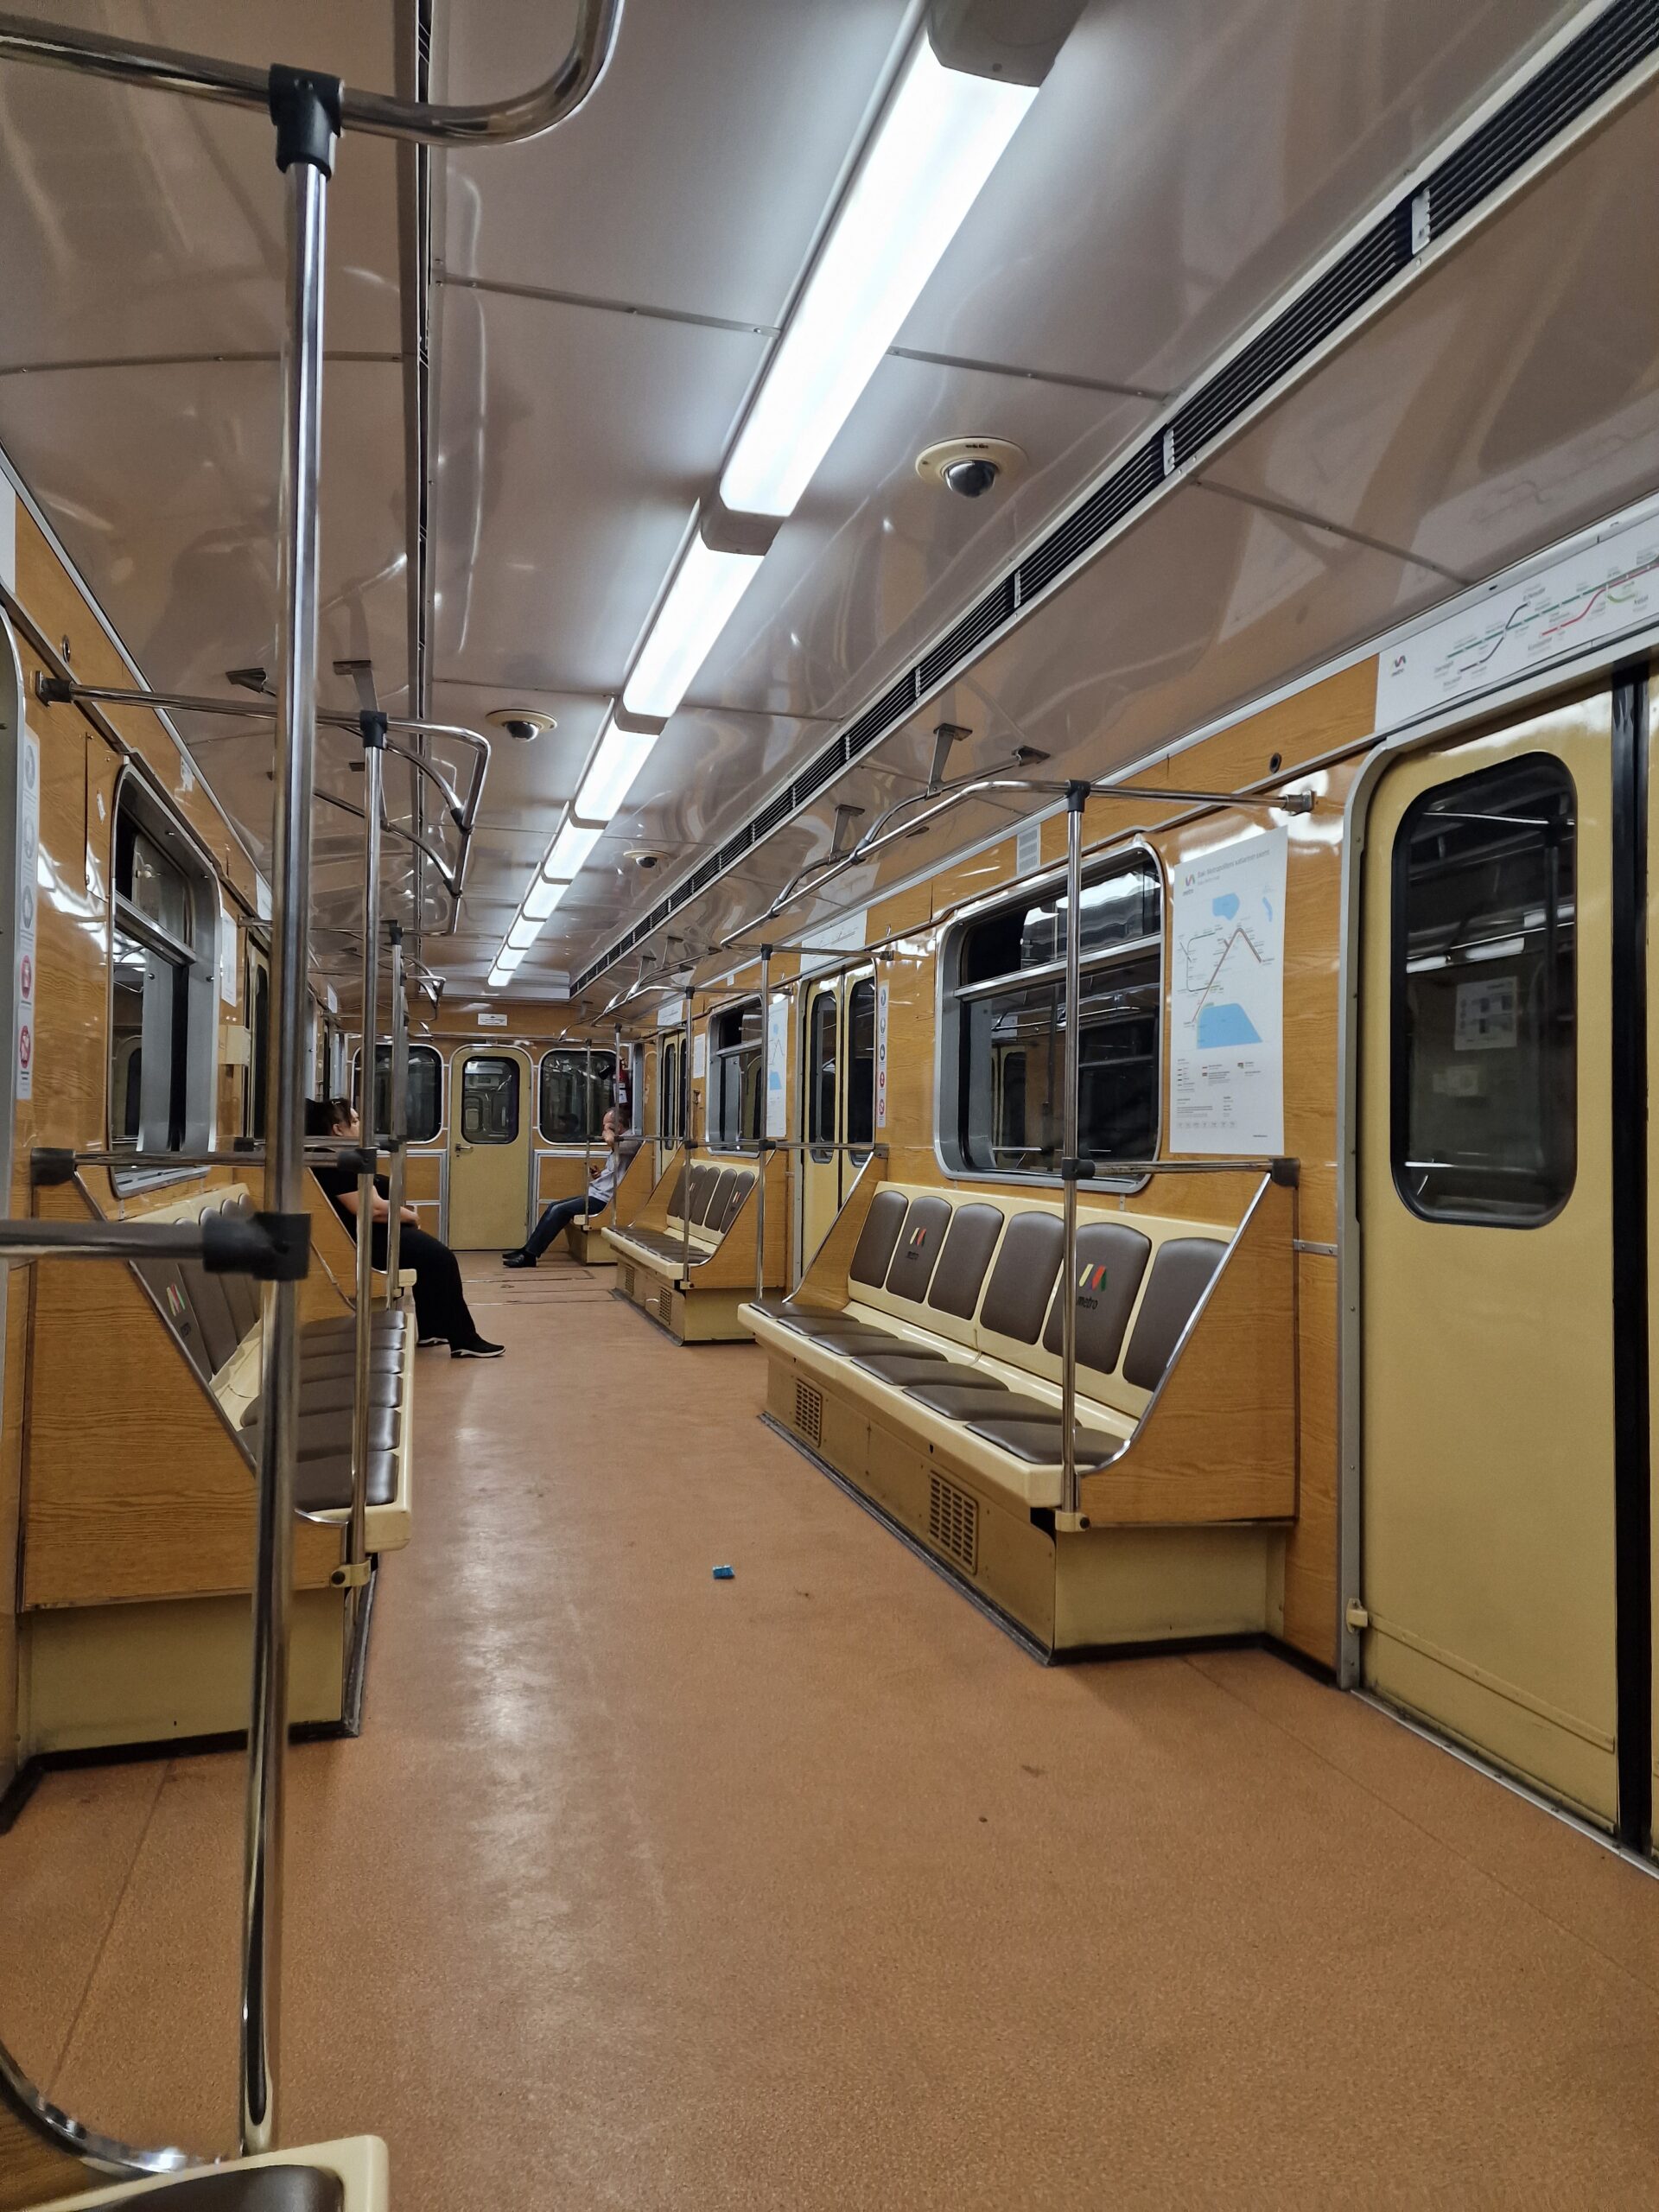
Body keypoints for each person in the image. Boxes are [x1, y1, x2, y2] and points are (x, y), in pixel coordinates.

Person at [307, 1097, 504, 1359]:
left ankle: (434, 1330)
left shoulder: (337, 1158)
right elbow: (371, 1209)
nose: (360, 1125)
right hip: (361, 1242)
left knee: (428, 1258)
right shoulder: (334, 1163)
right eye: (354, 1121)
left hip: (366, 1234)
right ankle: (464, 1339)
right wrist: (409, 1216)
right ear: (337, 1130)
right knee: (441, 1258)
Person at [503, 1106, 640, 1268]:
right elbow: (617, 1170)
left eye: (607, 1125)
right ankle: (527, 1249)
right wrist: (601, 1175)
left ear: (618, 1126)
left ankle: (530, 1256)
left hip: (605, 1200)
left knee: (559, 1210)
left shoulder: (631, 1140)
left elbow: (613, 1142)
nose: (603, 1130)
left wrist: (609, 1132)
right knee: (554, 1206)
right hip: (598, 1193)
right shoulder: (619, 1141)